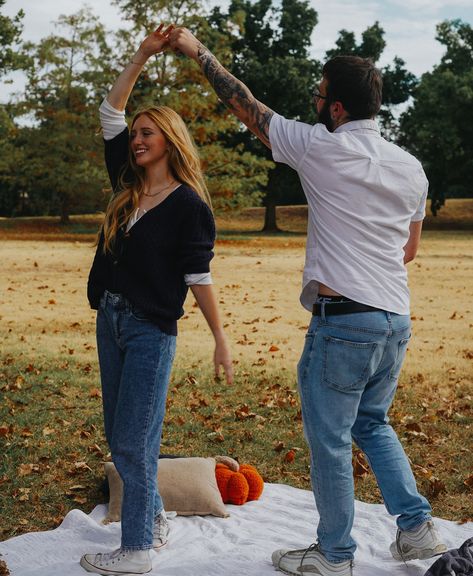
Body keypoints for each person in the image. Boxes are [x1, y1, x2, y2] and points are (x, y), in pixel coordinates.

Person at [168, 27, 448, 576]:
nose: (313, 104)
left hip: (343, 321)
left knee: (330, 440)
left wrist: (195, 50)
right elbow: (408, 250)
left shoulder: (320, 145)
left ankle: (336, 554)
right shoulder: (411, 167)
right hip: (394, 318)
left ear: (338, 108)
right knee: (373, 423)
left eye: (319, 96)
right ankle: (416, 529)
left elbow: (245, 106)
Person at [81, 25, 233, 575]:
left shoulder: (190, 206)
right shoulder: (127, 185)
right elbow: (109, 112)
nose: (138, 138)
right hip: (112, 321)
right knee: (123, 436)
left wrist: (220, 338)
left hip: (150, 330)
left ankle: (138, 548)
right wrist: (143, 53)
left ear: (170, 140)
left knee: (133, 442)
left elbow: (198, 276)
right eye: (137, 132)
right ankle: (153, 521)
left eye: (149, 132)